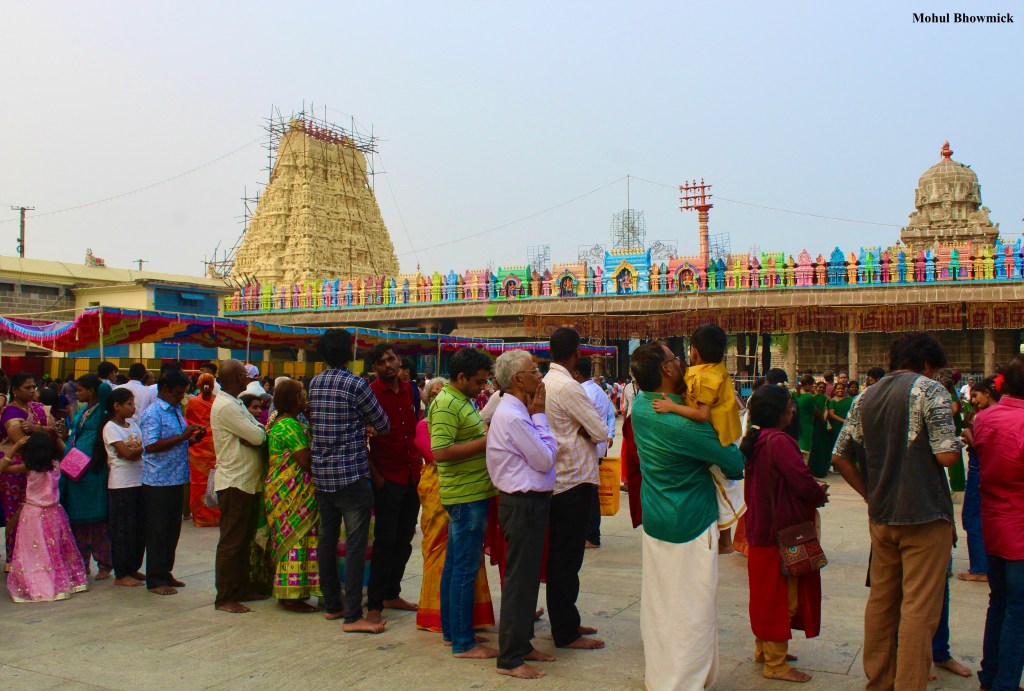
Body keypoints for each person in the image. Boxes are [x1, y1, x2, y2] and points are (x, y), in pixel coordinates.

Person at [832, 332, 961, 690]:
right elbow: (946, 455)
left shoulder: (865, 395)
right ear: (928, 364)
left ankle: (879, 681)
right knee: (920, 610)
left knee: (883, 602)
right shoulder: (931, 390)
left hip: (883, 516)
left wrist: (871, 495)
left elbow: (840, 456)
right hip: (924, 514)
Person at [629, 341, 745, 689]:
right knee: (692, 610)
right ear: (666, 370)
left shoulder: (641, 406)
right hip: (690, 522)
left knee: (661, 603)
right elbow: (735, 464)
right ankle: (681, 682)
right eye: (676, 359)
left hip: (657, 516)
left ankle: (661, 675)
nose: (683, 364)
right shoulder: (681, 424)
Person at [741, 384, 828, 683]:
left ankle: (764, 650)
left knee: (766, 594)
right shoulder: (779, 441)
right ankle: (775, 663)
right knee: (782, 597)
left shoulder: (758, 438)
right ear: (780, 411)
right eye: (790, 404)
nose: (793, 409)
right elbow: (801, 481)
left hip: (763, 528)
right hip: (783, 532)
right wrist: (820, 494)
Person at [308, 328, 390, 633]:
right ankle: (353, 615)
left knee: (327, 539)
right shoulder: (356, 385)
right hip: (351, 473)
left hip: (323, 472)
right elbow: (382, 423)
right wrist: (363, 426)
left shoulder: (315, 383)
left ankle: (333, 603)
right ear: (350, 351)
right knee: (355, 544)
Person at [487, 350, 558, 679]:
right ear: (518, 379)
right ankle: (510, 658)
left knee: (528, 578)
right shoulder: (515, 415)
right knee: (518, 580)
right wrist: (541, 418)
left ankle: (521, 643)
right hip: (522, 503)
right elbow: (544, 459)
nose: (539, 376)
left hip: (530, 501)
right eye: (534, 371)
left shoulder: (517, 409)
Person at [542, 328, 609, 651]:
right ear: (576, 353)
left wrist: (586, 430)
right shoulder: (569, 386)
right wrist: (587, 430)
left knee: (563, 557)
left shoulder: (546, 383)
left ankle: (566, 619)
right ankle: (565, 630)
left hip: (560, 478)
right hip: (573, 479)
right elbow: (599, 431)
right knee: (566, 559)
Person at [650, 323, 744, 553]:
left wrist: (672, 407)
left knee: (723, 485)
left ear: (694, 352)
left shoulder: (706, 378)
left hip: (720, 437)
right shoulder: (713, 369)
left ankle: (725, 539)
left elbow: (701, 415)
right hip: (723, 433)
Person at [429, 347, 498, 658]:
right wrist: (487, 441)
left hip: (471, 492)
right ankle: (462, 642)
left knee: (457, 567)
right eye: (479, 381)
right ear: (461, 377)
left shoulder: (462, 400)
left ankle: (453, 631)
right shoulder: (446, 404)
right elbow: (440, 452)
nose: (482, 387)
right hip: (465, 496)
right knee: (464, 570)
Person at [415, 377, 495, 634]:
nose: (438, 396)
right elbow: (437, 455)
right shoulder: (437, 416)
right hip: (454, 492)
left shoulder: (462, 406)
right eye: (433, 394)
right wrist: (485, 442)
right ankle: (458, 634)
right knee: (458, 563)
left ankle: (458, 627)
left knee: (460, 561)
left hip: (464, 490)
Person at [973, 354, 1024, 691]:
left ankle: (990, 675)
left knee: (1000, 602)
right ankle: (1005, 682)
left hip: (993, 519)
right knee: (1018, 610)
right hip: (1020, 524)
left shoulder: (984, 418)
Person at [365, 343, 421, 621]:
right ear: (374, 368)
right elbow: (361, 440)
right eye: (381, 362)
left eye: (391, 359)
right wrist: (378, 478)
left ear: (399, 361)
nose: (388, 365)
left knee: (405, 538)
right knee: (385, 542)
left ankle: (391, 593)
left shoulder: (411, 390)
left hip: (412, 474)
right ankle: (374, 604)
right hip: (387, 477)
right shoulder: (370, 394)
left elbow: (416, 426)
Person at [211, 359, 269, 614]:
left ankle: (240, 588)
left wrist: (258, 433)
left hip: (247, 481)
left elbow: (259, 430)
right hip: (235, 481)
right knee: (232, 541)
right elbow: (258, 435)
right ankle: (224, 597)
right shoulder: (226, 406)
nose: (248, 376)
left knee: (244, 540)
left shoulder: (235, 401)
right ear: (235, 376)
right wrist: (257, 434)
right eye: (244, 373)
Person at [139, 369, 204, 595]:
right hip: (158, 480)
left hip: (176, 477)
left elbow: (177, 443)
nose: (181, 397)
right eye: (178, 393)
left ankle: (165, 572)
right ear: (165, 390)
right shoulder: (153, 413)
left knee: (172, 530)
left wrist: (192, 439)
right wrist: (182, 437)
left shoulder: (176, 410)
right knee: (158, 531)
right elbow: (151, 445)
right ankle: (155, 579)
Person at [4, 431, 88, 602]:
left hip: (33, 514)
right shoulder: (56, 465)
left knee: (35, 552)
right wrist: (58, 438)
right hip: (54, 513)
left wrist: (16, 446)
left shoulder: (27, 467)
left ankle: (39, 584)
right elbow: (76, 460)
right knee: (56, 549)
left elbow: (2, 467)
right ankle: (66, 583)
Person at [264, 378, 320, 613]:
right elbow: (305, 460)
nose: (306, 398)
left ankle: (293, 593)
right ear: (297, 399)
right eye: (303, 394)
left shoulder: (287, 421)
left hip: (289, 490)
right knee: (295, 540)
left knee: (296, 540)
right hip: (290, 491)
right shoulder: (290, 426)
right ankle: (291, 597)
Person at [60, 374, 113, 580]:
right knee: (77, 520)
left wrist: (100, 382)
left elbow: (106, 391)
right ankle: (81, 562)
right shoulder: (82, 411)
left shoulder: (102, 410)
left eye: (80, 389)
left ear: (92, 391)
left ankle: (105, 564)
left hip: (93, 468)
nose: (77, 393)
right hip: (75, 467)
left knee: (98, 520)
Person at [0, 373, 51, 570]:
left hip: (38, 469)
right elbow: (20, 441)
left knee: (38, 513)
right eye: (27, 387)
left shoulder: (36, 408)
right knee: (16, 513)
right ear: (15, 390)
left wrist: (37, 427)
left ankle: (34, 555)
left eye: (33, 387)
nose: (32, 391)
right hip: (15, 470)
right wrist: (45, 432)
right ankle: (14, 558)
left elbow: (59, 429)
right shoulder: (10, 413)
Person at [102, 388, 146, 587]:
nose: (133, 407)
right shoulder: (111, 428)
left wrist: (137, 451)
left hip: (139, 479)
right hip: (121, 483)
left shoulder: (134, 425)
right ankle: (121, 572)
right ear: (116, 406)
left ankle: (132, 567)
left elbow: (132, 451)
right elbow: (125, 453)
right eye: (128, 404)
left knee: (137, 529)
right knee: (122, 529)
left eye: (133, 403)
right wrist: (144, 449)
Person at [958, 377, 1000, 582]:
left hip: (979, 467)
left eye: (975, 395)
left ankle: (980, 568)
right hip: (988, 470)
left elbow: (985, 449)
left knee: (972, 517)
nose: (973, 400)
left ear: (987, 393)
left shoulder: (987, 416)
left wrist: (968, 433)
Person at [575, 357, 615, 549]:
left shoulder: (585, 392)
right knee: (590, 492)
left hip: (589, 445)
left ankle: (591, 535)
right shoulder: (597, 390)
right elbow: (608, 415)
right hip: (596, 445)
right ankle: (590, 533)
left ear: (576, 373)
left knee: (589, 494)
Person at [184, 373, 220, 527]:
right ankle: (214, 516)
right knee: (213, 481)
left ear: (198, 385)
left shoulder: (192, 402)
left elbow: (188, 422)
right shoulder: (217, 402)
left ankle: (200, 517)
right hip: (213, 447)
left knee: (198, 483)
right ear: (213, 386)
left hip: (197, 446)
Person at [807, 380, 832, 478]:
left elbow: (827, 410)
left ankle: (821, 469)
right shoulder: (811, 398)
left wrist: (823, 418)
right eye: (819, 387)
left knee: (821, 447)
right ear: (815, 388)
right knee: (814, 447)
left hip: (822, 427)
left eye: (823, 388)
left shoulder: (827, 399)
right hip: (814, 425)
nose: (821, 389)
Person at [793, 375, 817, 463]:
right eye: (812, 385)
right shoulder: (809, 397)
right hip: (806, 428)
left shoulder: (794, 395)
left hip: (795, 428)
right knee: (804, 459)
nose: (813, 387)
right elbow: (813, 415)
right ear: (808, 385)